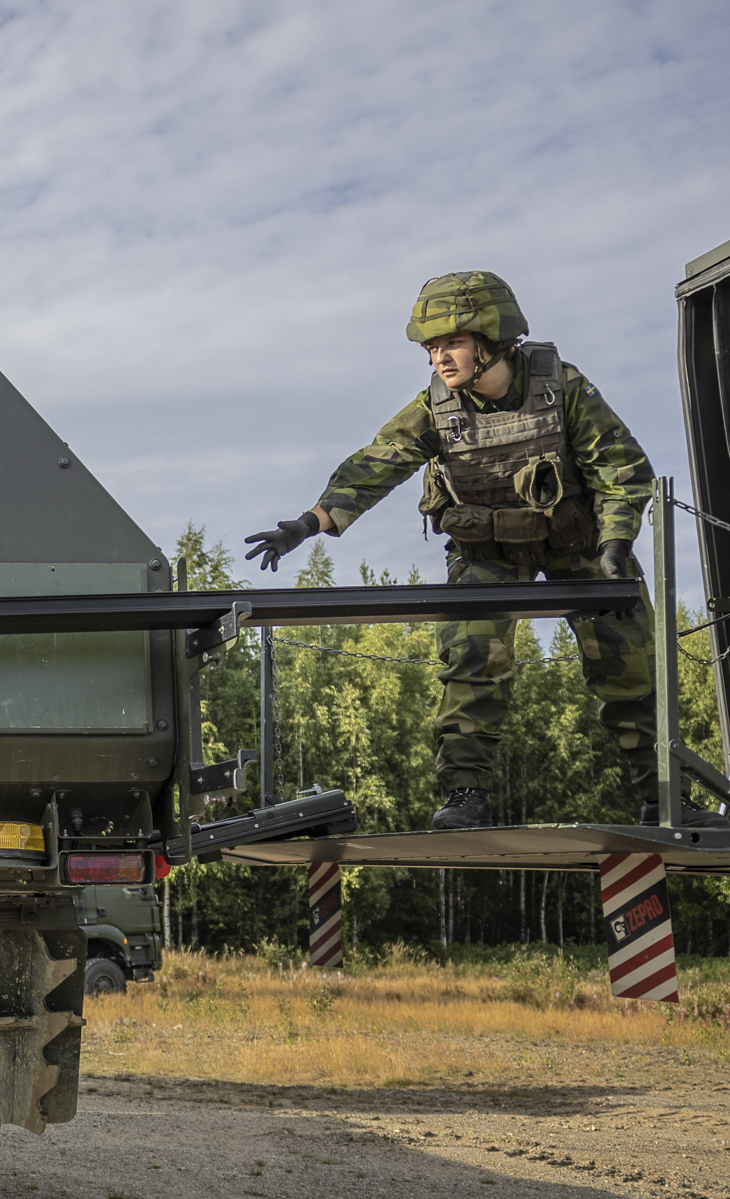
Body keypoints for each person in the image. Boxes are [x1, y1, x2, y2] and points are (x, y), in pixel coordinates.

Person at [245, 272, 728, 833]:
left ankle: (665, 797)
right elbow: (377, 463)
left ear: (492, 339)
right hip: (486, 549)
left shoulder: (562, 388)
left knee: (627, 666)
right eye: (431, 347)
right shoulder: (437, 407)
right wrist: (307, 524)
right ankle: (465, 794)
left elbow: (620, 467)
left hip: (579, 542)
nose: (439, 358)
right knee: (471, 664)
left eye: (451, 342)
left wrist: (616, 543)